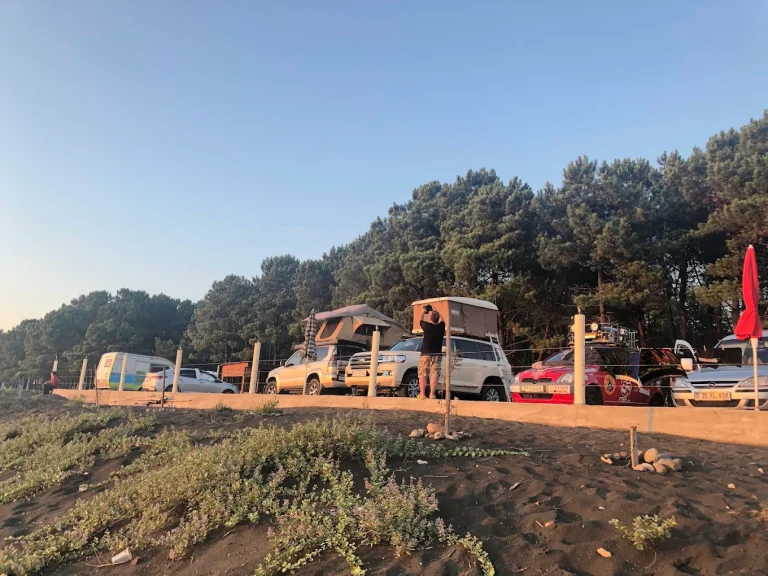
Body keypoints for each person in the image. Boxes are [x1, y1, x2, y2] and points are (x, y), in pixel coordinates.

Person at [418, 305, 445, 399]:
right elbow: (443, 320)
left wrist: (424, 311)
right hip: (437, 354)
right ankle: (432, 394)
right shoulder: (441, 328)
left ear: (430, 318)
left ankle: (422, 394)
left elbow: (420, 320)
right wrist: (437, 310)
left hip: (425, 354)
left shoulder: (427, 326)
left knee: (423, 374)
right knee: (434, 375)